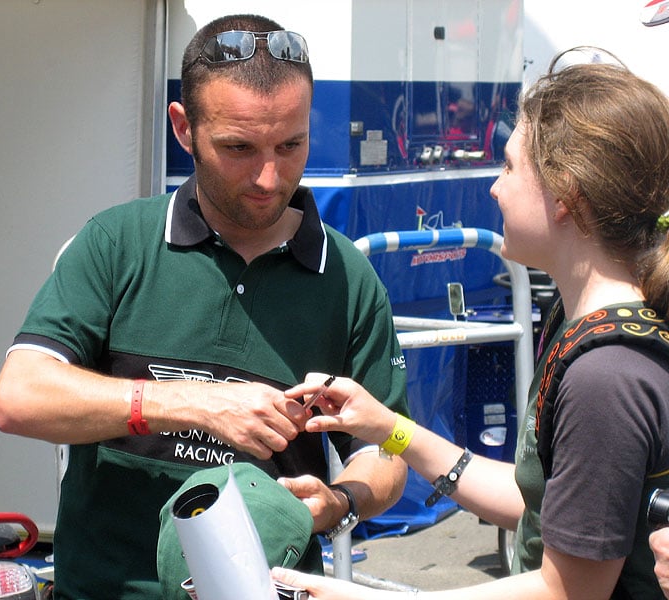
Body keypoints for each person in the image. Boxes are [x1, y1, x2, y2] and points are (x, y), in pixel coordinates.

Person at [0, 13, 409, 600]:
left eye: (291, 144)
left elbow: (391, 447)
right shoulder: (118, 243)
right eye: (238, 148)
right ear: (184, 129)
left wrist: (343, 500)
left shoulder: (349, 276)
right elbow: (18, 397)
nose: (269, 176)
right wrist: (194, 403)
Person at [273, 51, 669, 599]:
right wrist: (389, 427)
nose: (493, 188)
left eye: (508, 167)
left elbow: (567, 590)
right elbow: (540, 503)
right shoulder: (578, 324)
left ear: (566, 195)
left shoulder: (606, 376)